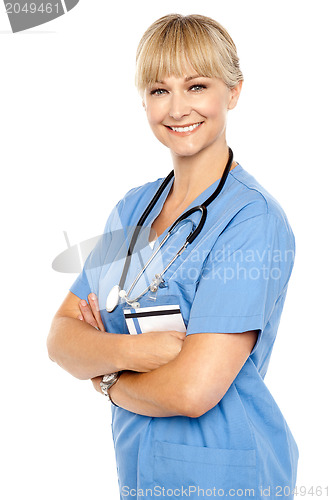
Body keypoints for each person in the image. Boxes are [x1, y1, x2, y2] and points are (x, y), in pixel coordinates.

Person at [47, 13, 298, 499]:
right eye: (160, 90)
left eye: (197, 85)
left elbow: (192, 390)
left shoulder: (251, 220)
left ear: (234, 92)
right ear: (144, 101)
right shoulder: (133, 210)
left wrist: (106, 378)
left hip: (228, 477)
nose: (178, 107)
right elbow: (61, 338)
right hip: (140, 470)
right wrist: (138, 353)